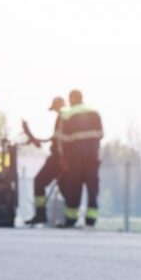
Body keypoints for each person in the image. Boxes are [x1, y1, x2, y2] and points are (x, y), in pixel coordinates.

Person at [58, 89, 103, 227]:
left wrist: (63, 158)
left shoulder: (67, 115)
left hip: (75, 157)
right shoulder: (94, 111)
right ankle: (91, 219)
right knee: (92, 187)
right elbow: (101, 134)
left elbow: (62, 140)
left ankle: (71, 219)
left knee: (73, 187)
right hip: (93, 156)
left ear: (71, 99)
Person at [25, 96, 67, 225]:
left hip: (58, 158)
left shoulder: (63, 117)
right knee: (65, 187)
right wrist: (38, 140)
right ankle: (67, 217)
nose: (54, 111)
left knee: (39, 182)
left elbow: (61, 140)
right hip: (61, 157)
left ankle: (41, 214)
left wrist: (62, 157)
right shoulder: (63, 118)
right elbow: (55, 138)